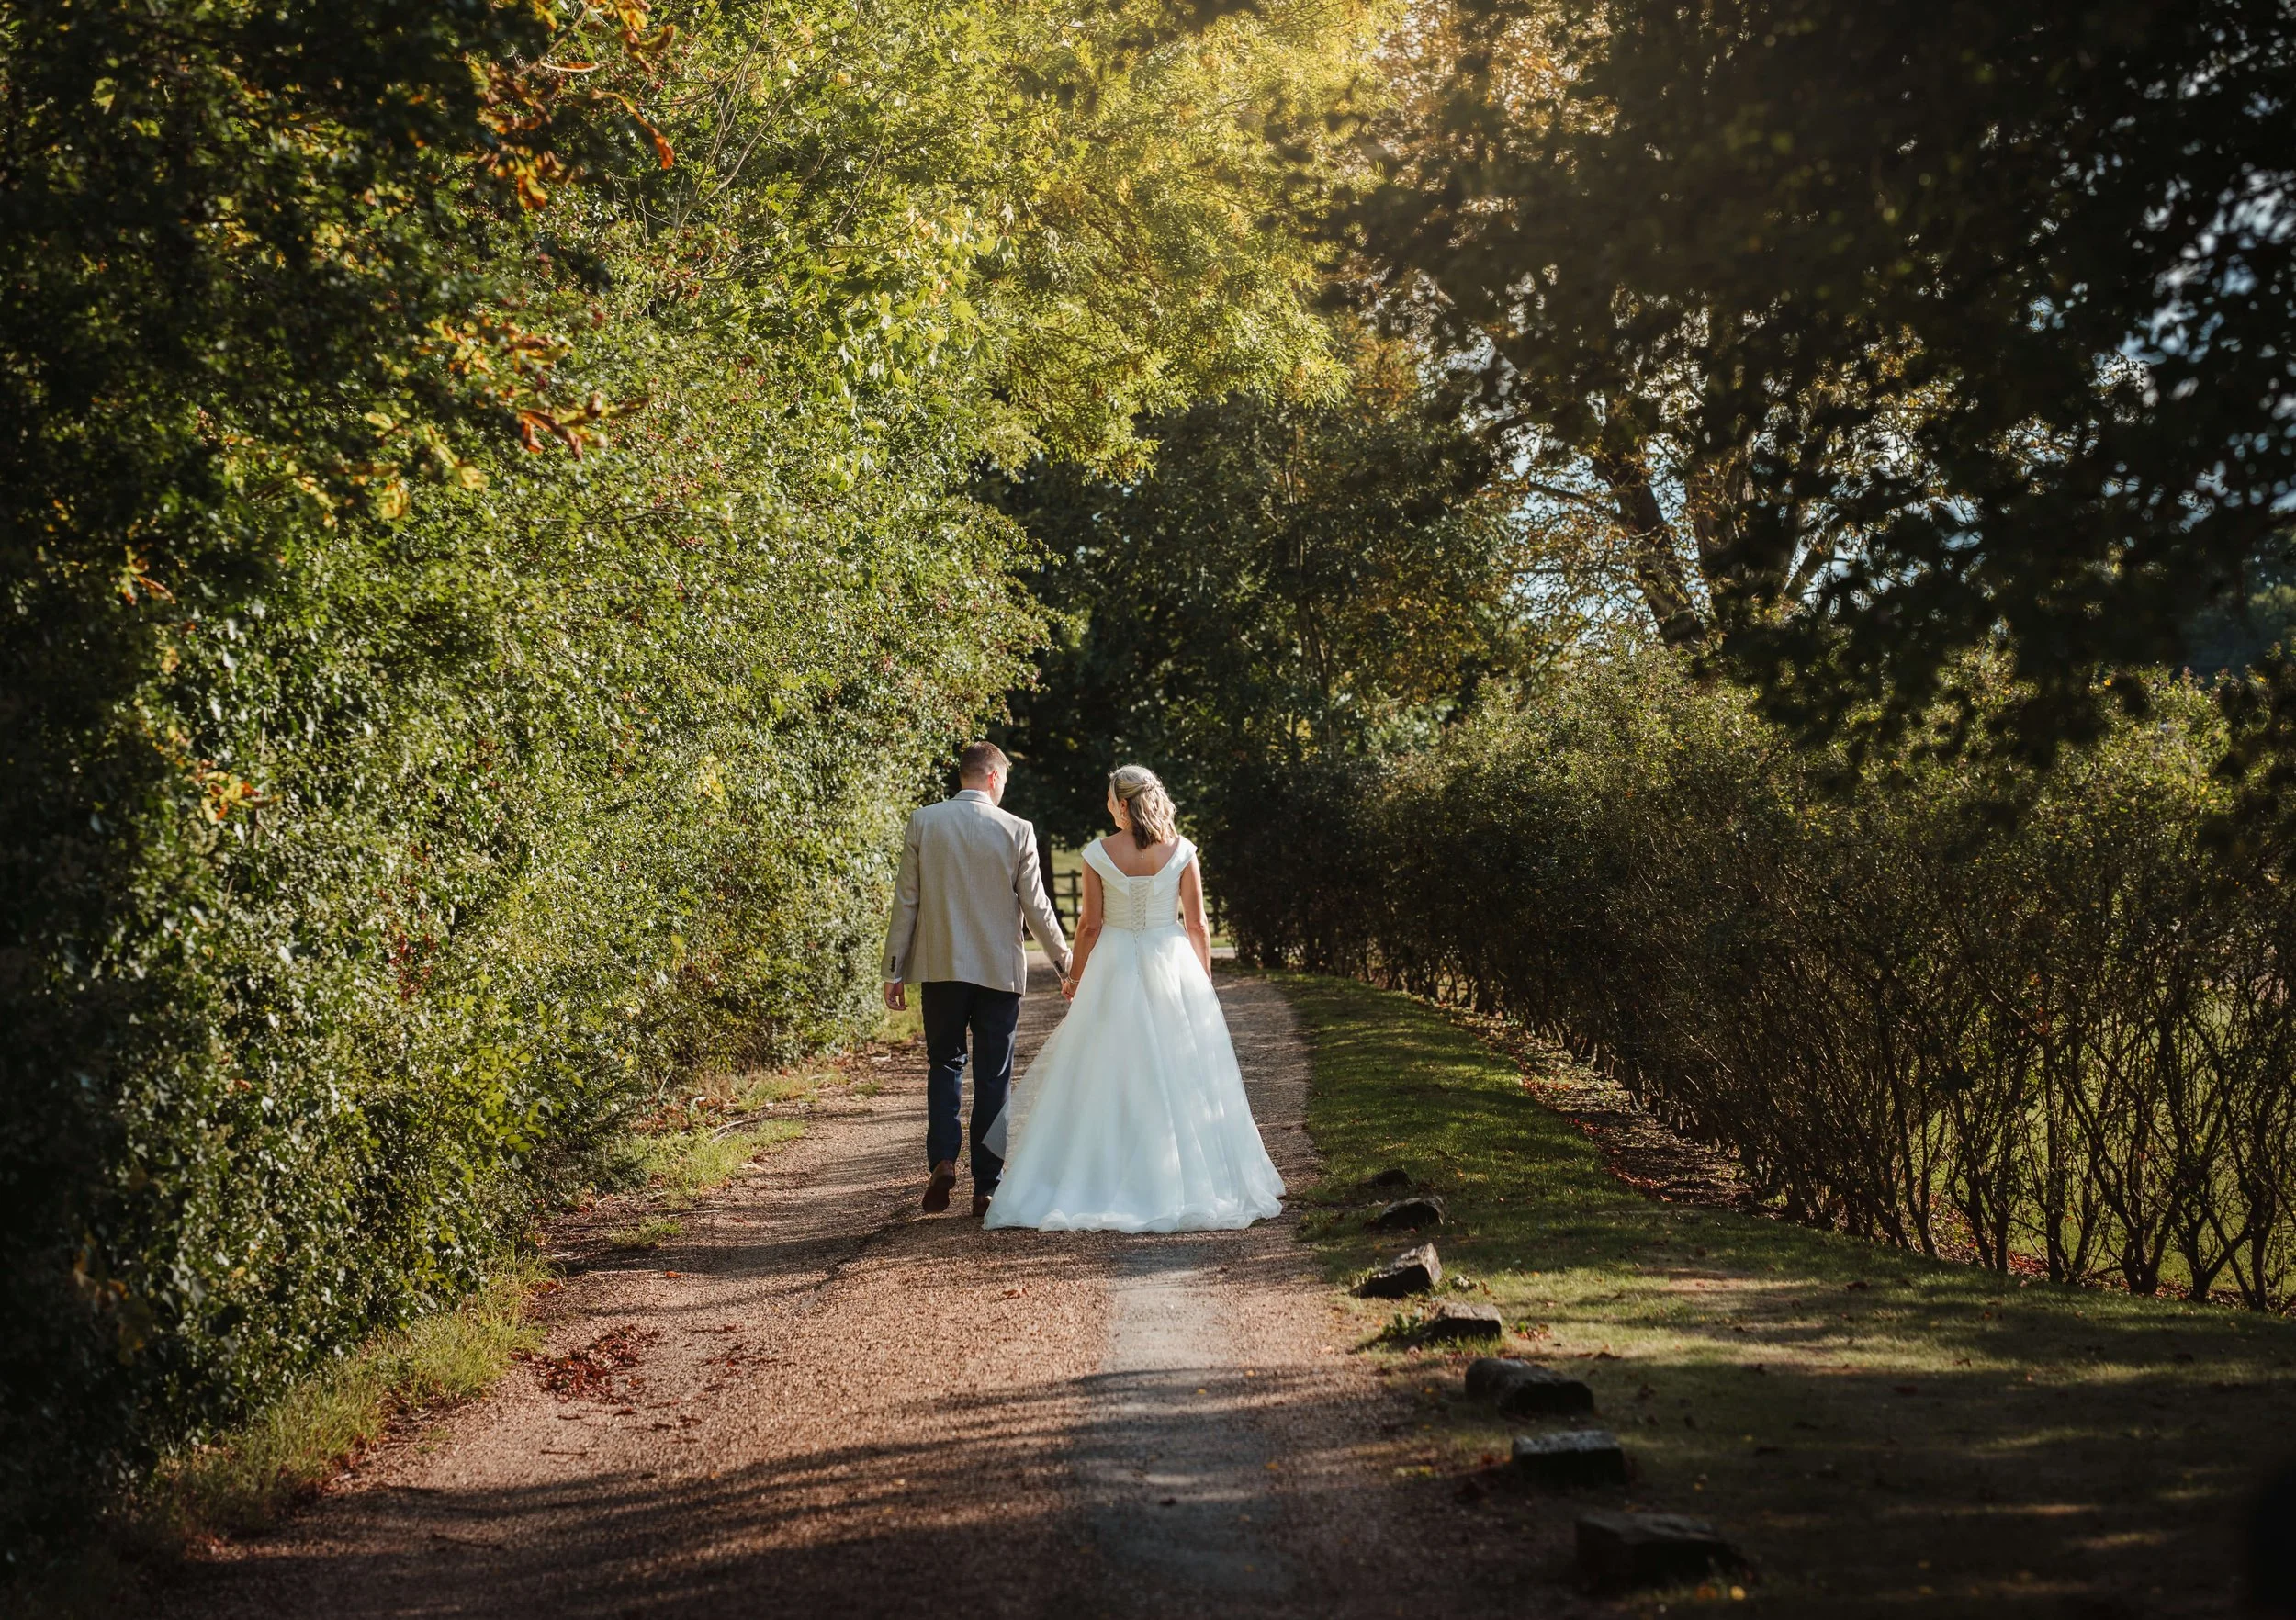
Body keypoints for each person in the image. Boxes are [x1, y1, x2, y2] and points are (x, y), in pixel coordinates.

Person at [982, 765, 1284, 1232]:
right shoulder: (1182, 851)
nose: (1106, 805)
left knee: (1107, 1068)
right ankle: (1184, 1178)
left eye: (1108, 798)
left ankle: (1101, 1173)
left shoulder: (1099, 854)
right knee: (1182, 1069)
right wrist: (1201, 980)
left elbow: (1090, 926)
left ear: (1123, 805)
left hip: (1115, 963)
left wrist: (1075, 976)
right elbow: (1198, 924)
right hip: (1173, 961)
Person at [883, 743, 1072, 1217]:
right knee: (994, 1076)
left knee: (945, 1063)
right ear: (992, 778)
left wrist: (894, 969)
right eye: (1004, 780)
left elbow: (907, 900)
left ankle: (944, 1159)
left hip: (940, 969)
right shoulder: (1016, 829)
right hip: (998, 973)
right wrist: (1067, 963)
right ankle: (987, 1184)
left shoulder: (924, 821)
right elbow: (1037, 906)